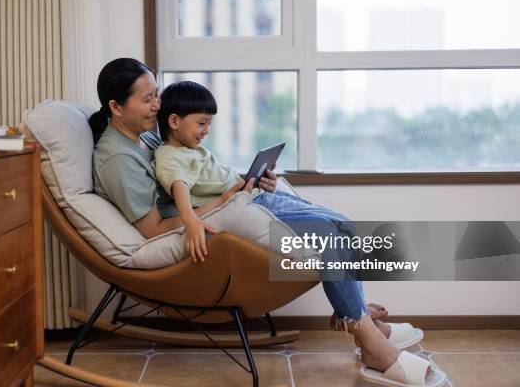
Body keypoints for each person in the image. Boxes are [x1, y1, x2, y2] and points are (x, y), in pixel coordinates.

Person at [90, 58, 445, 387]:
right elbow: (152, 229)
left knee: (342, 225)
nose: (157, 105)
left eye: (157, 96)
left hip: (237, 202)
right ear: (116, 107)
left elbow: (195, 171)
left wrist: (248, 181)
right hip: (220, 226)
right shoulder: (120, 158)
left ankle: (357, 314)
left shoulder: (145, 132)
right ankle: (369, 339)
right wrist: (224, 202)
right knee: (329, 240)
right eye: (148, 99)